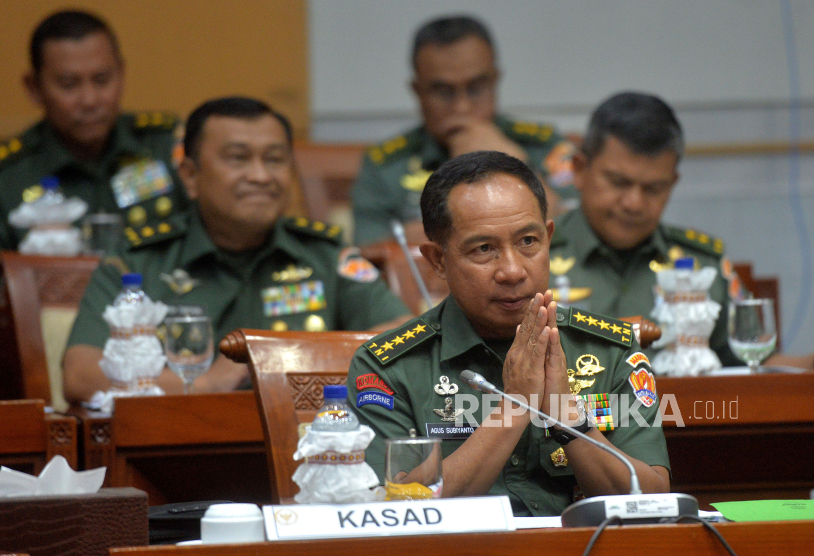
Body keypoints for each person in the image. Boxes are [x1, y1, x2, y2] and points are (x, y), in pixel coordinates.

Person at [347, 151, 669, 516]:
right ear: (438, 260)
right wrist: (515, 407)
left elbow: (653, 500)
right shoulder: (390, 368)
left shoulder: (609, 350)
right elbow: (392, 509)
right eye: (484, 249)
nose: (513, 270)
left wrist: (566, 415)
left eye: (528, 241)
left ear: (548, 238)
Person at [63, 97, 412, 403]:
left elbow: (403, 336)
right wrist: (200, 385)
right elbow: (80, 374)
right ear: (190, 176)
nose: (261, 176)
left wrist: (285, 363)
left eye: (275, 159)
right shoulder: (138, 261)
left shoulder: (324, 253)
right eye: (238, 159)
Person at [551, 91, 812, 369]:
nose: (634, 203)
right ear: (579, 170)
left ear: (672, 183)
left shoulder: (702, 268)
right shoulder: (533, 257)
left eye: (654, 188)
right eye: (618, 182)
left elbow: (758, 363)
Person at [0, 10, 188, 272]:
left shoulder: (165, 147)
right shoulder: (3, 177)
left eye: (102, 80)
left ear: (122, 73)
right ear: (34, 88)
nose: (90, 100)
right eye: (69, 84)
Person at [351, 15, 577, 246]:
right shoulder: (385, 165)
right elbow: (369, 254)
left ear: (495, 82)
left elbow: (577, 232)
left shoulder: (544, 145)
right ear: (417, 92)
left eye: (476, 88)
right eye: (443, 92)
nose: (462, 107)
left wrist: (517, 165)